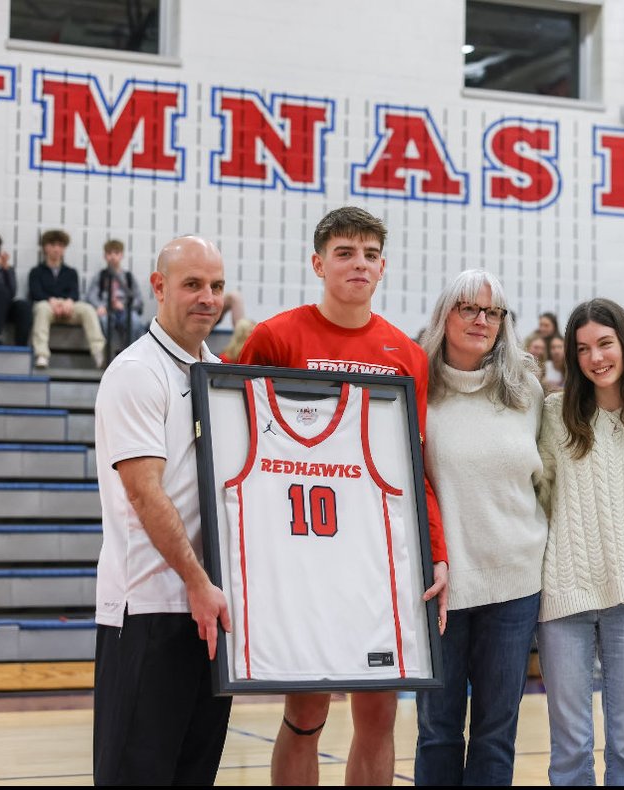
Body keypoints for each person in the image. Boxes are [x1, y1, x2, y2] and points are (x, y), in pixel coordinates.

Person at [237, 206, 449, 786]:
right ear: (318, 263)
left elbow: (414, 463)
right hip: (301, 552)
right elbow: (236, 445)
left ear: (384, 267)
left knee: (379, 712)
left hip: (375, 558)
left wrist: (437, 549)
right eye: (345, 253)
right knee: (306, 711)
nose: (360, 264)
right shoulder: (275, 336)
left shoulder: (406, 354)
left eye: (370, 254)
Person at [91, 235, 232, 784]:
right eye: (192, 284)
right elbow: (146, 494)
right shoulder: (136, 373)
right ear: (158, 287)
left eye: (216, 286)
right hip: (149, 609)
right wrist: (198, 583)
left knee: (194, 773)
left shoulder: (218, 371)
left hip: (208, 613)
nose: (207, 297)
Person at [414, 269, 548, 785]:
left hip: (514, 584)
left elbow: (542, 483)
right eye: (468, 308)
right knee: (438, 730)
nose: (481, 320)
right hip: (442, 586)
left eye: (492, 312)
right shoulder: (417, 389)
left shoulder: (526, 392)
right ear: (444, 315)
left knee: (497, 733)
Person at [536, 298, 624, 785]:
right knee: (570, 748)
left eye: (604, 344)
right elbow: (539, 494)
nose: (595, 357)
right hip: (565, 593)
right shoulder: (554, 414)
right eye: (582, 349)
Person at [29, 229, 105, 369]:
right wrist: (52, 302)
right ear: (45, 247)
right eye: (52, 245)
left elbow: (75, 293)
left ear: (64, 248)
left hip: (68, 308)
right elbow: (35, 293)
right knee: (41, 308)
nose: (56, 249)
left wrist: (69, 302)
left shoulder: (71, 272)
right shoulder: (36, 272)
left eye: (60, 245)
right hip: (48, 307)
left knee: (87, 309)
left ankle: (98, 352)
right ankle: (41, 355)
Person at [86, 239, 146, 347]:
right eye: (109, 253)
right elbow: (91, 296)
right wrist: (100, 306)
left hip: (125, 310)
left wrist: (124, 306)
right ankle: (108, 355)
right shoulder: (100, 276)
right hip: (106, 310)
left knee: (135, 322)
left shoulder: (128, 277)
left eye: (116, 253)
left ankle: (130, 353)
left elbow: (138, 299)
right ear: (105, 256)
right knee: (103, 321)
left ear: (122, 255)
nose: (113, 257)